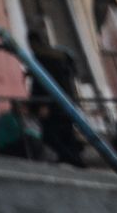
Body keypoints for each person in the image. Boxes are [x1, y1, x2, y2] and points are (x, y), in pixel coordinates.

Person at [29, 35, 87, 168]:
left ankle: (70, 159)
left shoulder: (42, 59)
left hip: (52, 104)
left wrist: (42, 104)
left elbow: (42, 84)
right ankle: (74, 159)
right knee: (66, 132)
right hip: (67, 102)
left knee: (51, 135)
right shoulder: (61, 57)